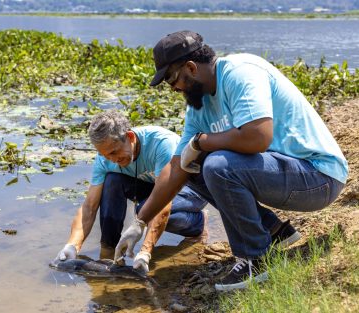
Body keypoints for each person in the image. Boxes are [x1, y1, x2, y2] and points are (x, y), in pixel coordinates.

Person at [113, 30, 348, 291]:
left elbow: (258, 137)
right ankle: (272, 231)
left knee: (216, 164)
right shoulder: (198, 106)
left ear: (190, 68)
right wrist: (140, 221)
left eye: (171, 80)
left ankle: (256, 258)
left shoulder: (240, 73)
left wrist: (202, 142)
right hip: (283, 174)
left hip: (318, 177)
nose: (174, 89)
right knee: (195, 165)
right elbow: (178, 166)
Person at [56, 110, 208, 273]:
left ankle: (198, 223)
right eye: (106, 155)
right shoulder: (105, 158)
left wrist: (145, 252)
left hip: (190, 188)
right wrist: (72, 245)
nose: (113, 159)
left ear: (130, 137)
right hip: (154, 186)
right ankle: (108, 249)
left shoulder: (161, 144)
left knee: (144, 210)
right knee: (112, 181)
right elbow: (89, 207)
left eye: (115, 152)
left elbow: (163, 203)